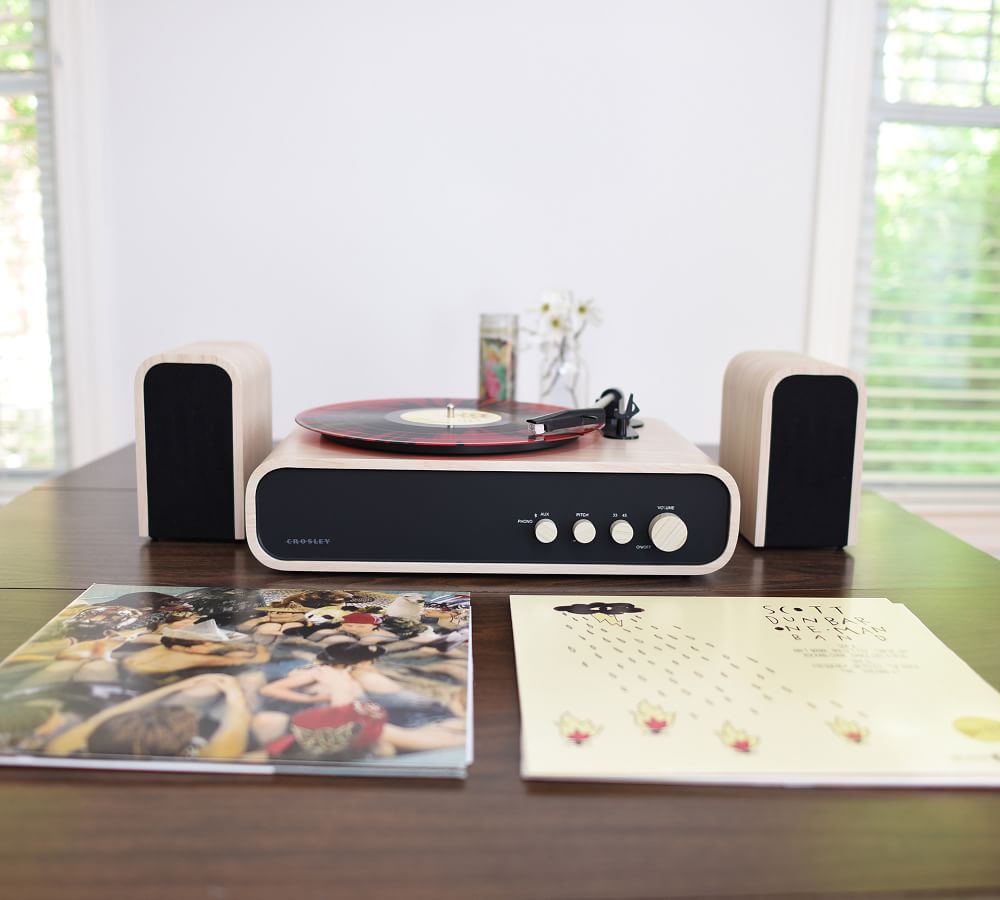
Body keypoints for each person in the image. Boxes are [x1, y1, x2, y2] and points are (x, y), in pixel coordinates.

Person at [45, 673, 252, 760]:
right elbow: (235, 729)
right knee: (247, 683)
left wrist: (184, 684)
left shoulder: (59, 749)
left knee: (206, 687)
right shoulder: (209, 758)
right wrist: (235, 695)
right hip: (212, 727)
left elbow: (114, 713)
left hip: (166, 730)